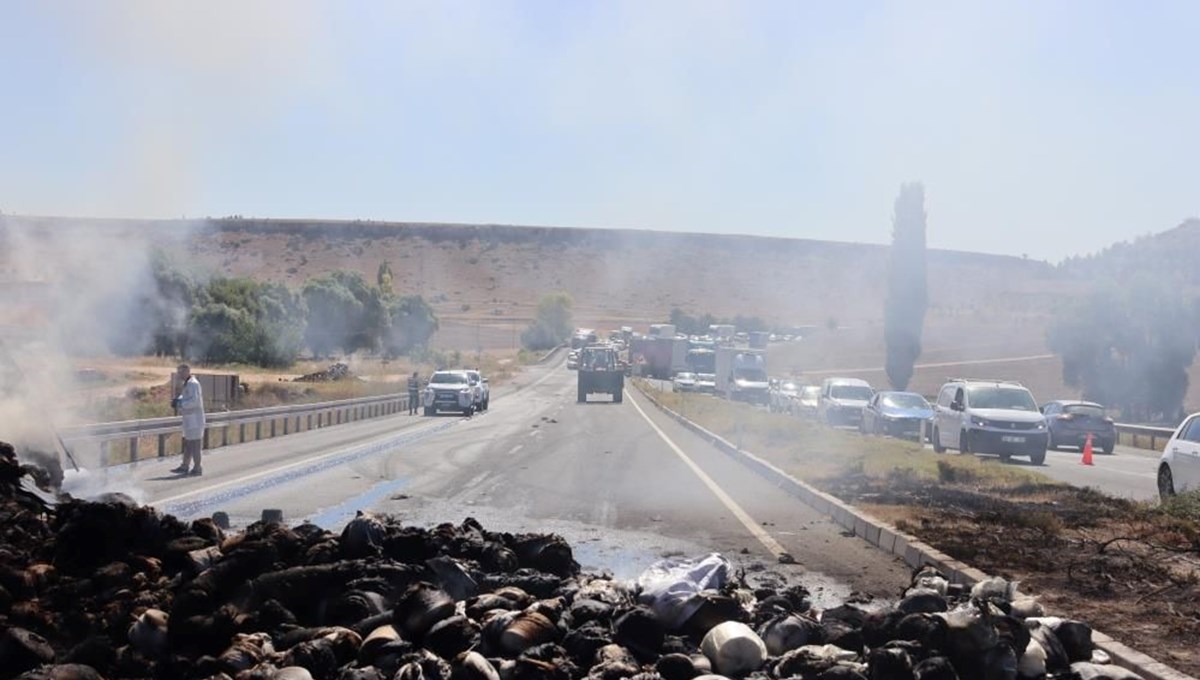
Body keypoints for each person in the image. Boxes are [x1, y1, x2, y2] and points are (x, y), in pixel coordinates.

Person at [170, 364, 205, 476]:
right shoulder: (187, 383)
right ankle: (185, 466)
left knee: (195, 444)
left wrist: (181, 404)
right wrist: (177, 400)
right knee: (188, 443)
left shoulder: (193, 384)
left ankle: (197, 467)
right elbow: (186, 397)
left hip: (195, 418)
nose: (179, 374)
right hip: (190, 419)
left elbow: (195, 401)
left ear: (187, 372)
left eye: (180, 372)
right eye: (178, 372)